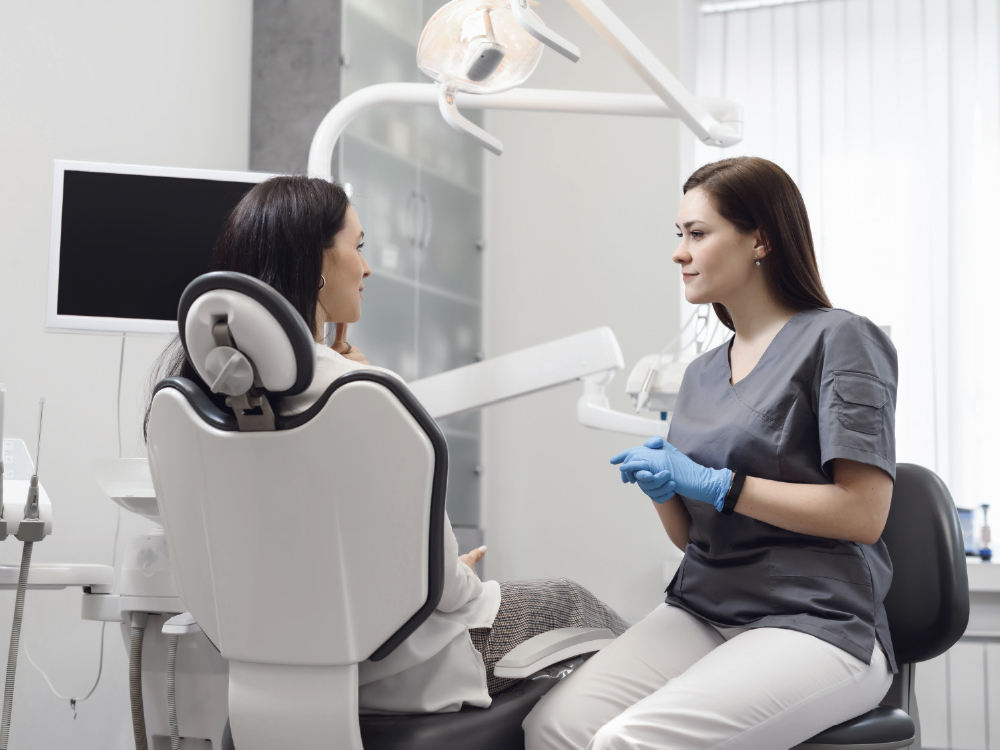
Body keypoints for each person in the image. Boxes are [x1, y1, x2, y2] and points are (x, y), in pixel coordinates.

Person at [144, 175, 628, 715]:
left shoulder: (190, 404)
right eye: (358, 246)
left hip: (270, 667)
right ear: (317, 264)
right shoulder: (363, 394)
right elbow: (449, 593)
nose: (367, 267)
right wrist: (446, 573)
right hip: (414, 662)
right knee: (576, 601)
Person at [523, 156, 898, 750]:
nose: (679, 252)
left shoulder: (840, 339)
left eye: (697, 234)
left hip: (815, 618)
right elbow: (694, 541)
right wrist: (666, 491)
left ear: (760, 240)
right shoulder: (698, 374)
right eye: (680, 236)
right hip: (705, 608)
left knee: (631, 742)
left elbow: (863, 513)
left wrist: (721, 484)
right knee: (554, 727)